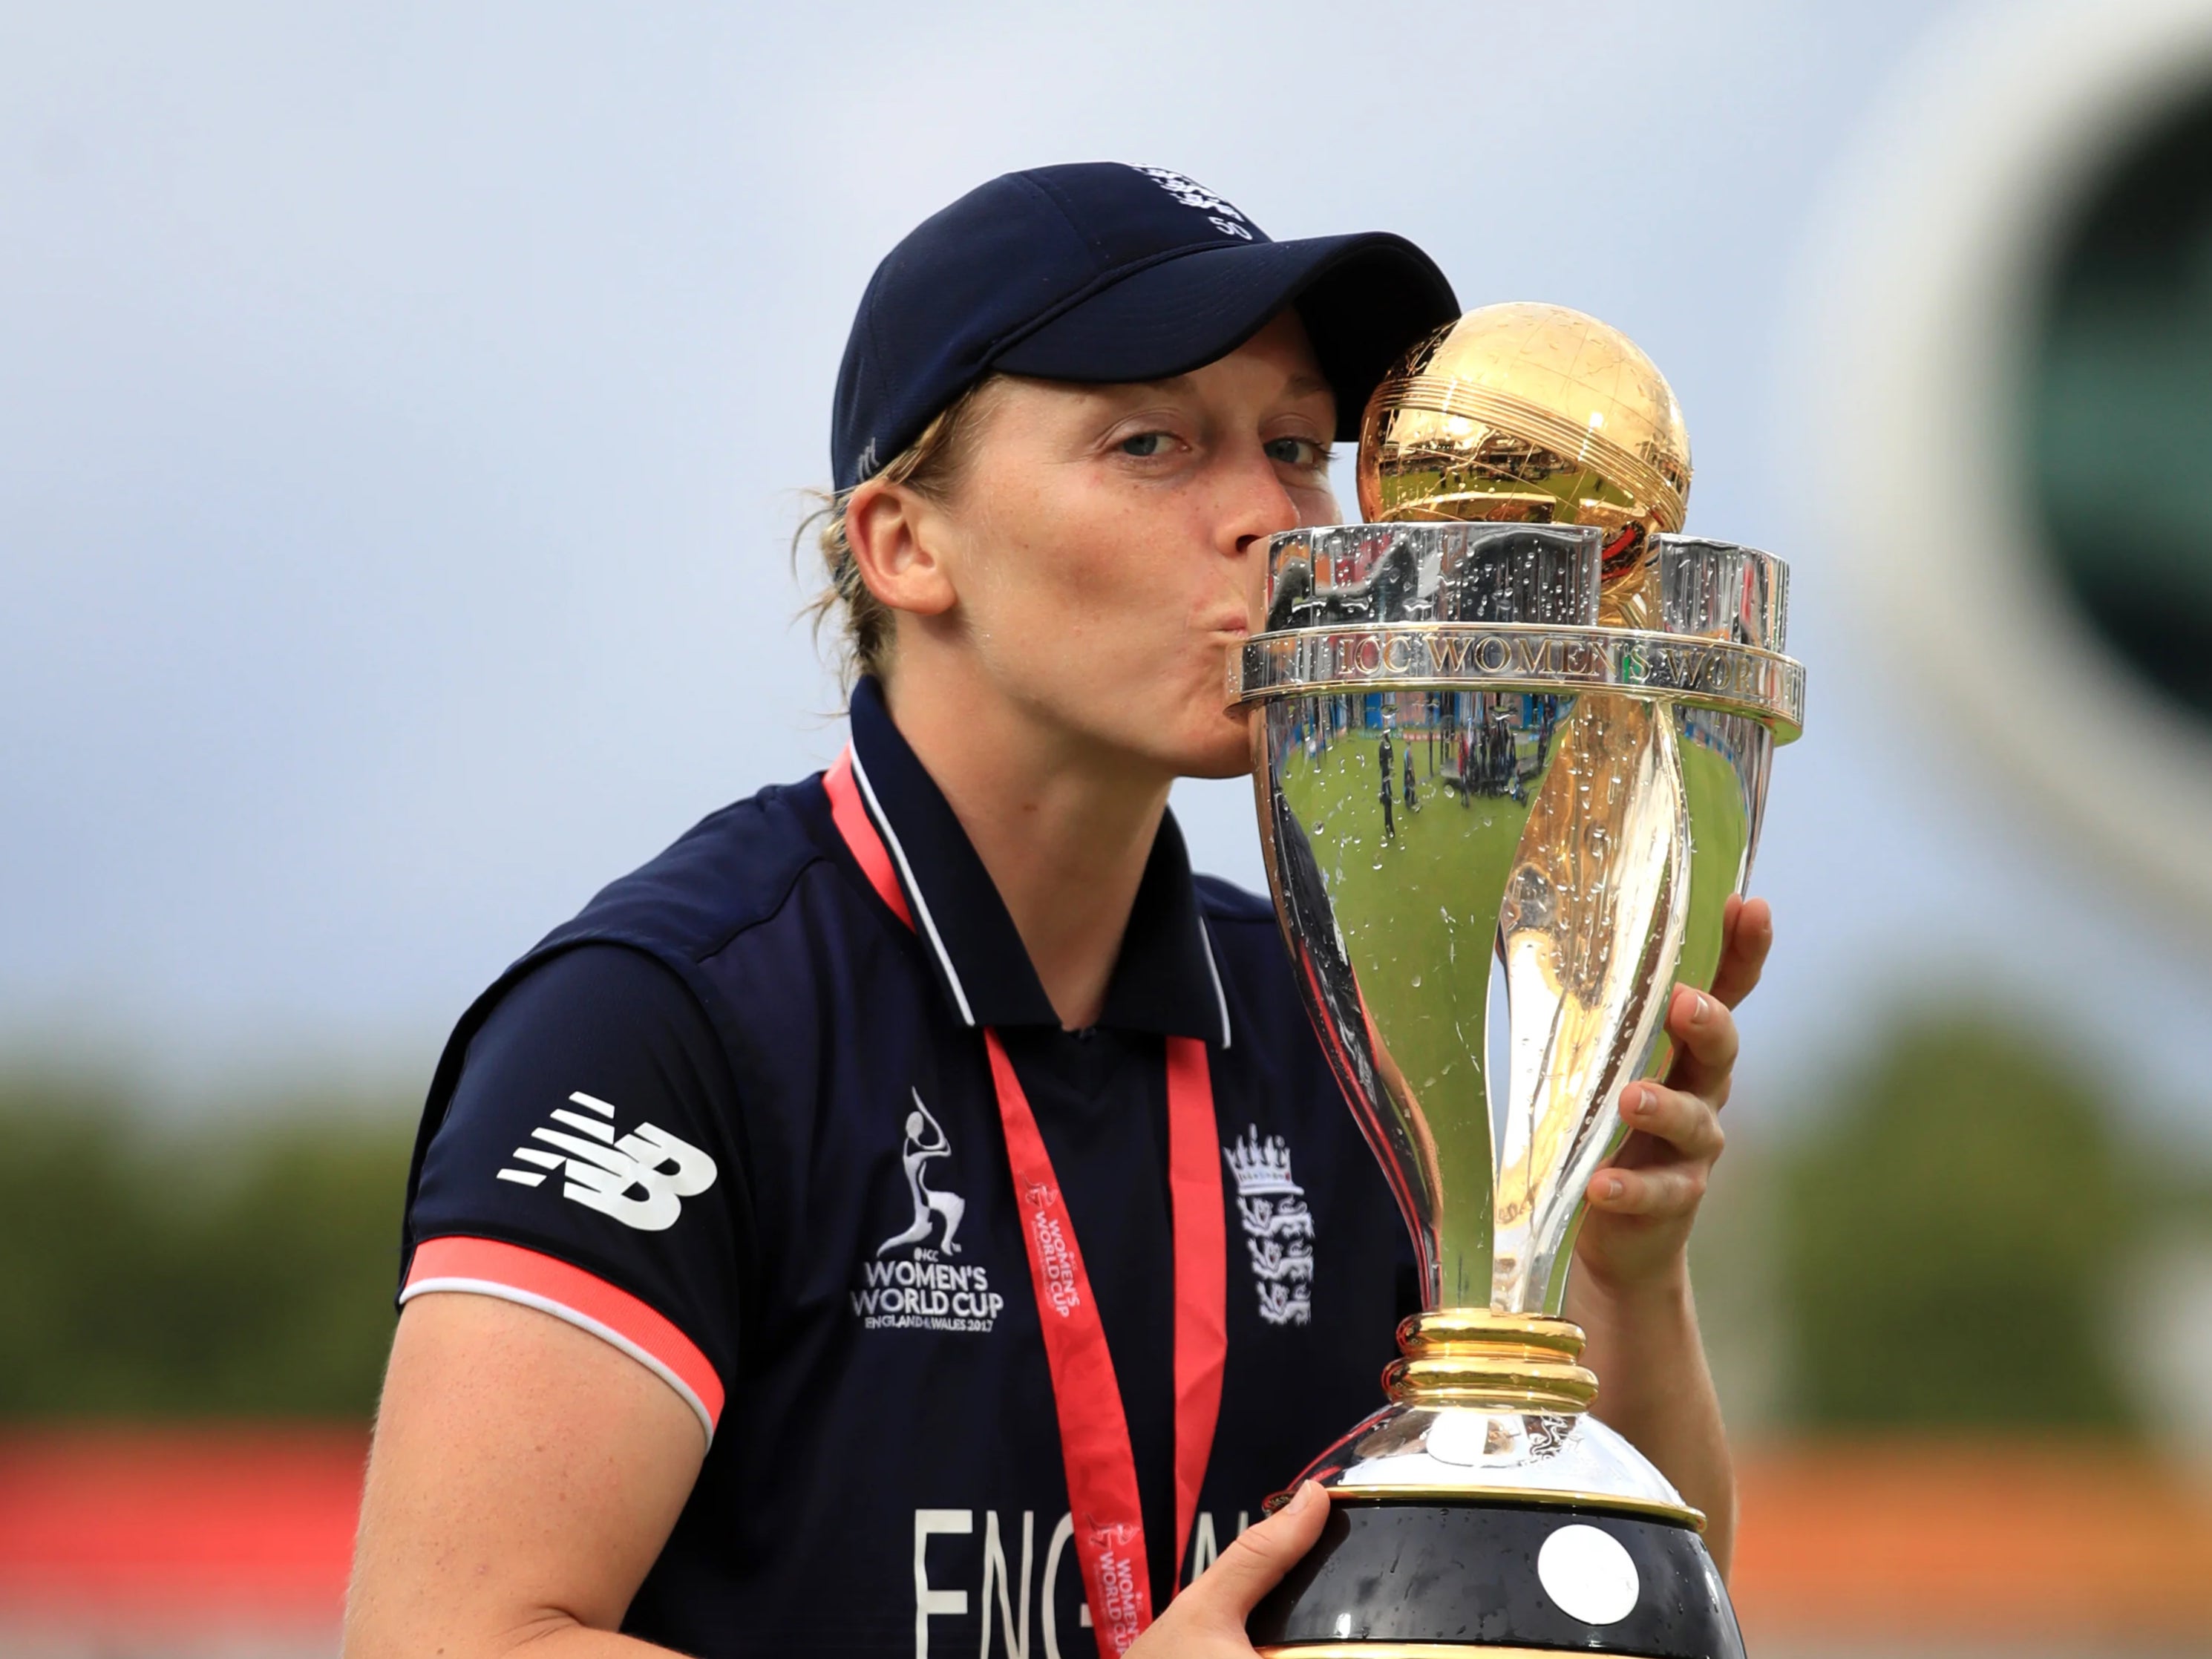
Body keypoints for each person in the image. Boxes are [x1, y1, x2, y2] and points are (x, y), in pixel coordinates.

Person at [343, 163, 1772, 1659]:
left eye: (1295, 445)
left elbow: (1590, 1606)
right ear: (904, 543)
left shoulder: (1333, 1014)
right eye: (1152, 441)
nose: (1270, 523)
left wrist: (1611, 1263)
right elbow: (445, 1635)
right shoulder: (662, 1018)